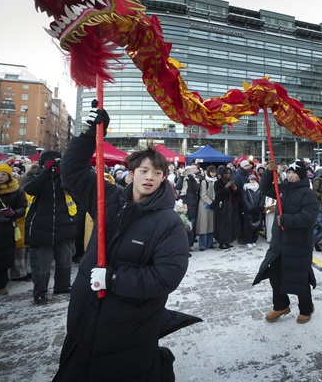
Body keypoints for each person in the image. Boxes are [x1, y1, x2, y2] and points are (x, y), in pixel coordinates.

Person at [54, 104, 199, 381]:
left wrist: (114, 278)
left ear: (163, 178)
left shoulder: (169, 222)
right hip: (85, 311)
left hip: (129, 323)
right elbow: (71, 171)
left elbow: (166, 276)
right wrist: (92, 134)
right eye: (144, 171)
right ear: (131, 174)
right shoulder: (107, 199)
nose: (149, 177)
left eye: (157, 173)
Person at [253, 159, 319, 324]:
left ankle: (306, 308)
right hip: (279, 243)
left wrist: (287, 220)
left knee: (299, 277)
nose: (290, 175)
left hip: (298, 244)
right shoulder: (282, 188)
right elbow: (265, 189)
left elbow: (309, 217)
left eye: (294, 173)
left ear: (301, 175)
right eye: (289, 172)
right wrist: (269, 172)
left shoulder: (308, 193)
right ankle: (281, 305)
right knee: (275, 275)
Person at [23, 151, 77, 305]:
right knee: (41, 263)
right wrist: (46, 172)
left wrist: (63, 174)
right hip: (40, 227)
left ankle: (63, 285)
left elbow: (75, 191)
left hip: (63, 225)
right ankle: (40, 292)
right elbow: (30, 189)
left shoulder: (63, 175)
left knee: (65, 260)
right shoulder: (34, 175)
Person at [0, 163, 27, 295]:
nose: (0, 177)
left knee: (3, 257)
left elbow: (23, 208)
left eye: (3, 174)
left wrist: (13, 213)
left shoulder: (17, 190)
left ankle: (0, 285)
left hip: (7, 228)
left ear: (9, 176)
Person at [213, 166, 239, 250]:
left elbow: (236, 194)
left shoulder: (231, 182)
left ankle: (229, 240)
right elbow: (218, 195)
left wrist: (234, 188)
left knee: (230, 223)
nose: (228, 175)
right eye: (226, 173)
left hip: (231, 205)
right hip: (223, 206)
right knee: (222, 224)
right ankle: (222, 242)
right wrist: (226, 187)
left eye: (229, 173)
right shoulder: (218, 182)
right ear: (222, 174)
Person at [196, 165, 217, 251]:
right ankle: (202, 245)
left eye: (214, 172)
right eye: (211, 172)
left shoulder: (215, 181)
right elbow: (203, 195)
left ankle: (210, 243)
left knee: (211, 224)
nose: (213, 174)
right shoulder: (205, 181)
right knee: (203, 225)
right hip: (205, 205)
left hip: (213, 204)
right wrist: (210, 202)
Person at [242, 174, 263, 248]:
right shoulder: (246, 188)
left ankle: (254, 240)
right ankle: (248, 240)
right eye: (251, 179)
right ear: (248, 180)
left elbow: (262, 198)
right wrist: (249, 207)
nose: (253, 180)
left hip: (257, 210)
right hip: (249, 210)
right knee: (248, 226)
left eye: (254, 179)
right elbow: (245, 199)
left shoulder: (259, 187)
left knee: (256, 225)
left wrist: (260, 206)